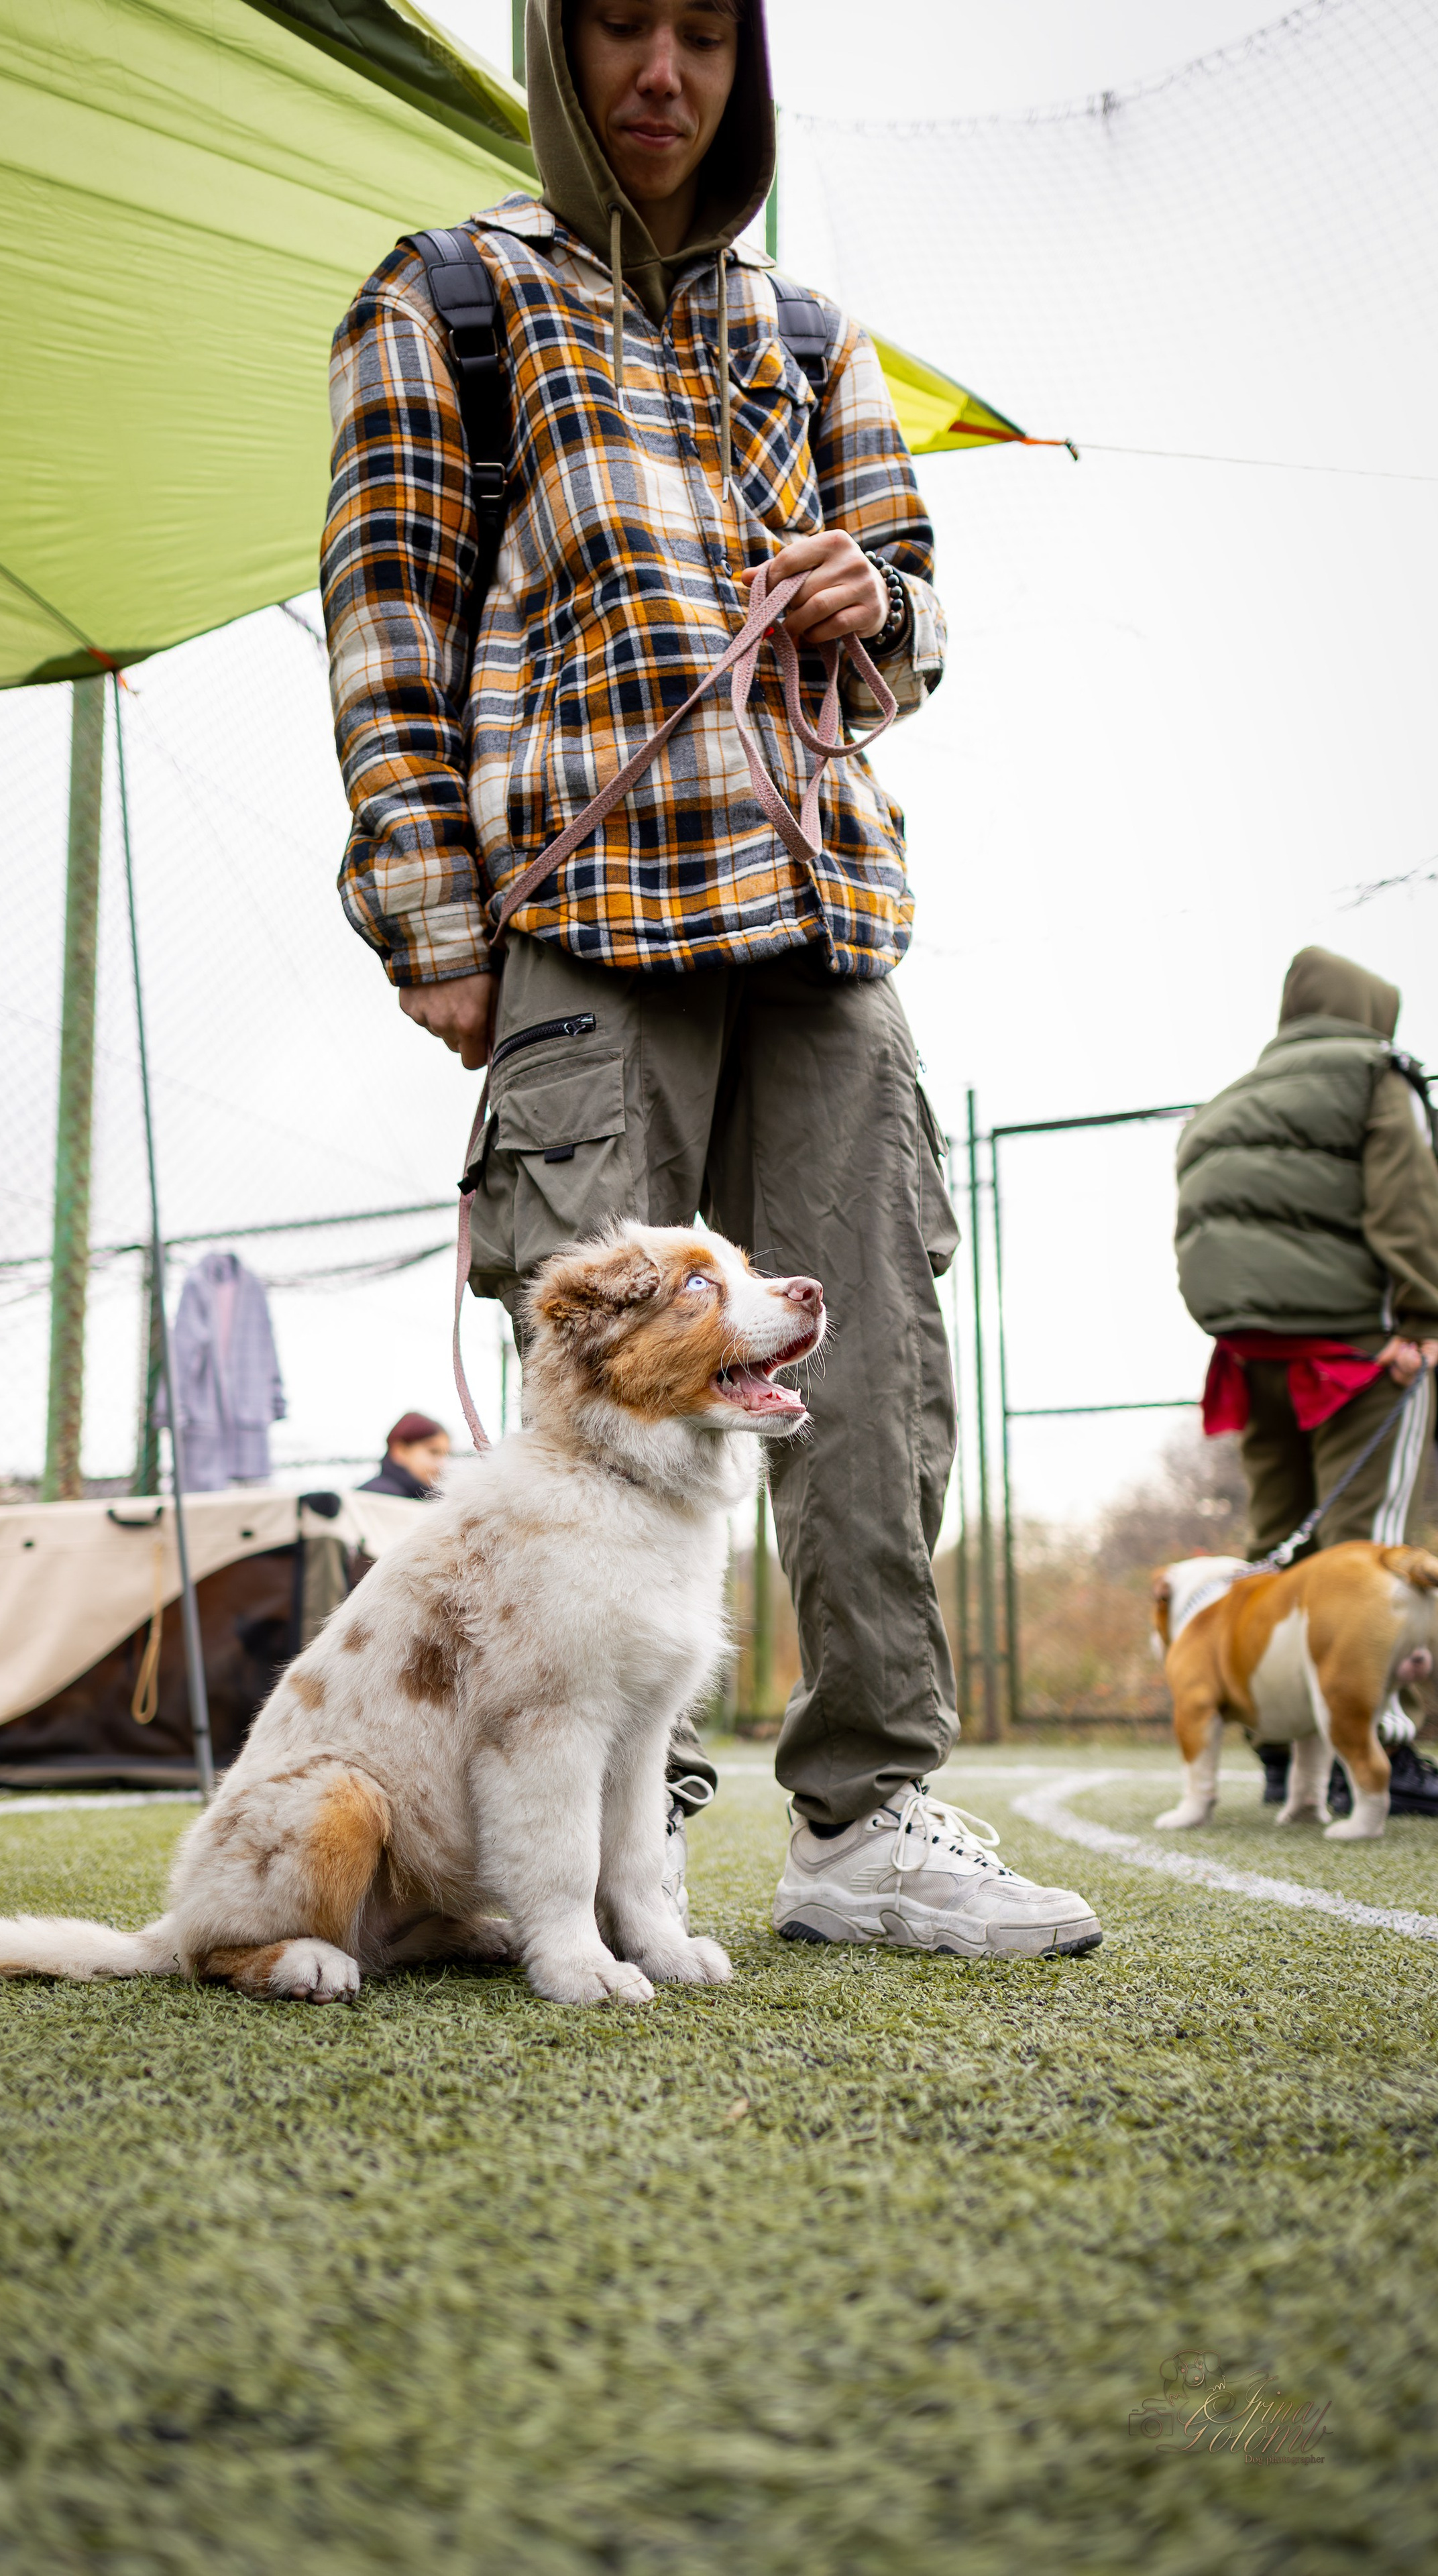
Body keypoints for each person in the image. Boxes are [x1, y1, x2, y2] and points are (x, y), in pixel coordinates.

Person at [321, 0, 1103, 1957]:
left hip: (822, 920)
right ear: (555, 42)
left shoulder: (813, 335)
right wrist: (432, 924)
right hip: (585, 917)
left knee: (877, 1367)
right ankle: (610, 1840)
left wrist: (875, 599)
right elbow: (386, 619)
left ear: (744, 63)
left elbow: (909, 624)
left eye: (702, 32)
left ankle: (865, 1817)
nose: (662, 75)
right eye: (619, 25)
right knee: (607, 1400)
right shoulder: (448, 301)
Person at [1176, 946, 1438, 1815]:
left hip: (1253, 1351)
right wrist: (1422, 1315)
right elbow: (1408, 1198)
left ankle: (1284, 1749)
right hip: (1363, 1350)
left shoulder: (1229, 1099)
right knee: (1368, 1559)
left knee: (1279, 1553)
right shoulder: (1377, 1075)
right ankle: (1377, 1748)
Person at [360, 1412, 451, 1499]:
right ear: (400, 1451)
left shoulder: (416, 1496)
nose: (442, 1464)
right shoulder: (379, 1495)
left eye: (445, 1455)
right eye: (433, 1452)